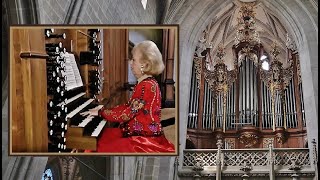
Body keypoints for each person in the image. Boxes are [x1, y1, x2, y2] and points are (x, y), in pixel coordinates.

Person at [82, 40, 175, 153]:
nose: (130, 63)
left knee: (94, 145)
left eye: (134, 60)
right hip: (139, 132)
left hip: (142, 139)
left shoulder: (145, 85)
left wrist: (101, 113)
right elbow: (128, 107)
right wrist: (103, 110)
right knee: (102, 136)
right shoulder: (149, 82)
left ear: (144, 64)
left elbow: (127, 113)